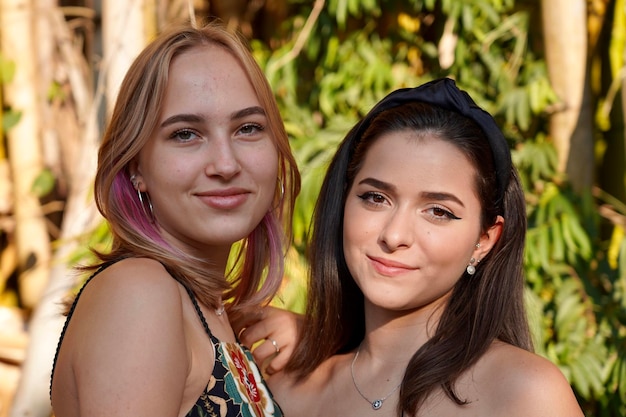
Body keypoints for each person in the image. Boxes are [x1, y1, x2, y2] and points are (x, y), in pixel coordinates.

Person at [239, 78, 584, 416]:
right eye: (375, 198)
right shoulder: (285, 393)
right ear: (343, 202)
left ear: (484, 240)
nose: (394, 235)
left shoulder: (525, 394)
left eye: (438, 211)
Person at [49, 21, 300, 417]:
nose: (225, 163)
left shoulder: (206, 310)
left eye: (248, 128)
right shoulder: (140, 292)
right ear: (136, 167)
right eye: (186, 134)